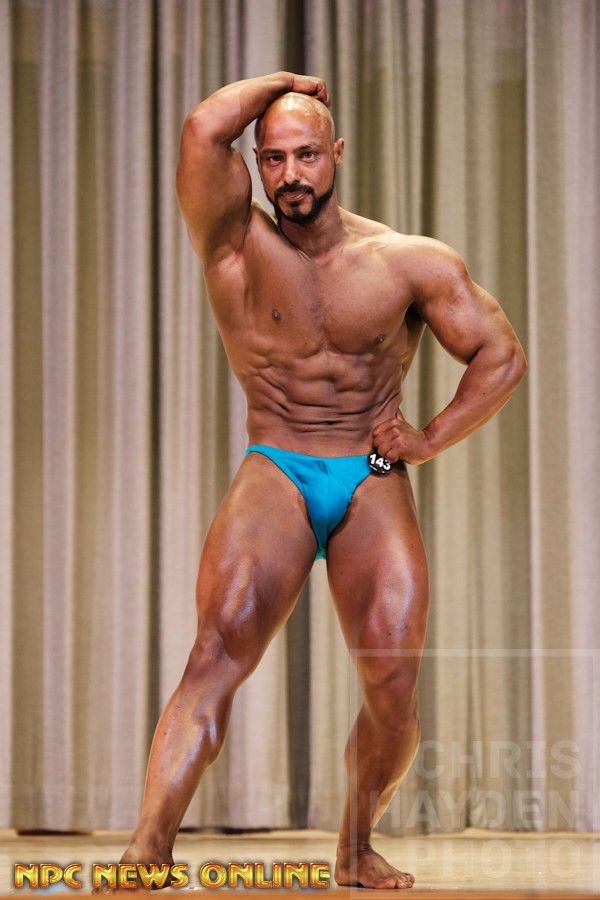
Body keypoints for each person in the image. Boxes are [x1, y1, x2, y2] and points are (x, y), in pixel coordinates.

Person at [121, 72, 527, 889]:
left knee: (393, 685)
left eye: (306, 154)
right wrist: (286, 84)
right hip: (278, 460)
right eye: (273, 159)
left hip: (370, 468)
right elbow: (202, 129)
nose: (291, 174)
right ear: (257, 165)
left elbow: (501, 355)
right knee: (215, 652)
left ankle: (354, 845)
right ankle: (147, 852)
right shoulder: (235, 241)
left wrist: (426, 440)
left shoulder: (407, 261)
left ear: (336, 153)